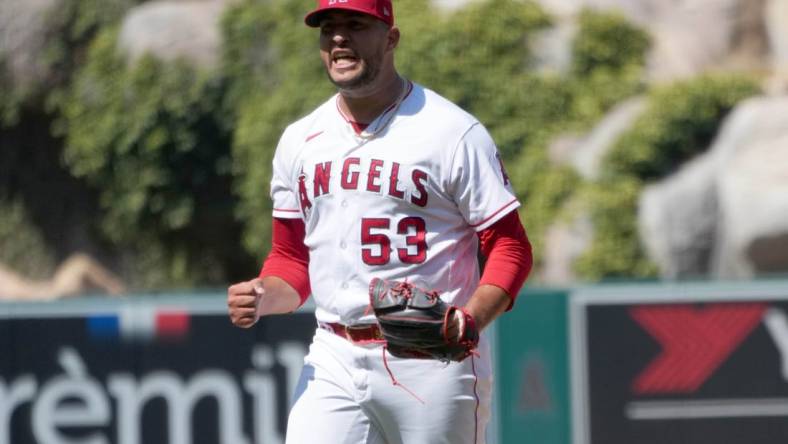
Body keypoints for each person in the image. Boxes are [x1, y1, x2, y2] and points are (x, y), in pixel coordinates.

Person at [227, 1, 533, 442]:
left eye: (355, 24)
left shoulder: (451, 132)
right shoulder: (300, 140)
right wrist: (261, 295)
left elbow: (510, 246)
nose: (338, 37)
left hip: (431, 358)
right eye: (328, 27)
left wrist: (471, 319)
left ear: (391, 38)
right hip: (333, 353)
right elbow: (292, 260)